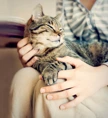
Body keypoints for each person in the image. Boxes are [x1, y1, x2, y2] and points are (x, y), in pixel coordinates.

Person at [9, 0, 108, 118]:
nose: (58, 33)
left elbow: (77, 64)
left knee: (50, 87)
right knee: (23, 76)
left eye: (60, 30)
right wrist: (32, 58)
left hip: (100, 74)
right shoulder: (64, 3)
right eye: (51, 28)